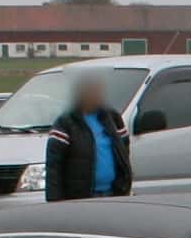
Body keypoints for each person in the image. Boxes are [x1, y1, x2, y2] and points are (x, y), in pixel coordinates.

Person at [44, 72, 132, 202]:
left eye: (97, 91)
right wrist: (55, 201)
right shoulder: (66, 123)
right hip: (81, 199)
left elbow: (124, 153)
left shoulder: (112, 118)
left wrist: (125, 183)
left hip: (113, 195)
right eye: (89, 91)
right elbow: (54, 167)